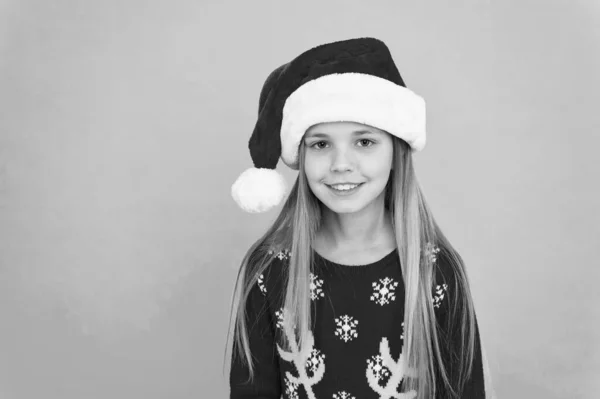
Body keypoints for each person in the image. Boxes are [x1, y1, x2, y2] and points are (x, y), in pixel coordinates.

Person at [225, 37, 495, 399]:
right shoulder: (270, 270)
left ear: (396, 152)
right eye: (321, 144)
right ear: (301, 156)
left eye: (364, 142)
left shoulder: (435, 271)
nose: (341, 164)